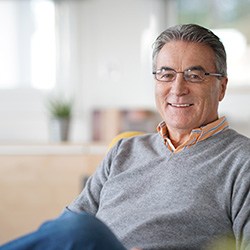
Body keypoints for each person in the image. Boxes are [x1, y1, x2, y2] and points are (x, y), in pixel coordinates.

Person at [1, 23, 250, 250]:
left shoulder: (242, 160)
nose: (177, 88)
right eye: (166, 74)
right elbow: (64, 229)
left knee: (81, 228)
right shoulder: (124, 150)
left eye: (194, 76)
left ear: (222, 87)